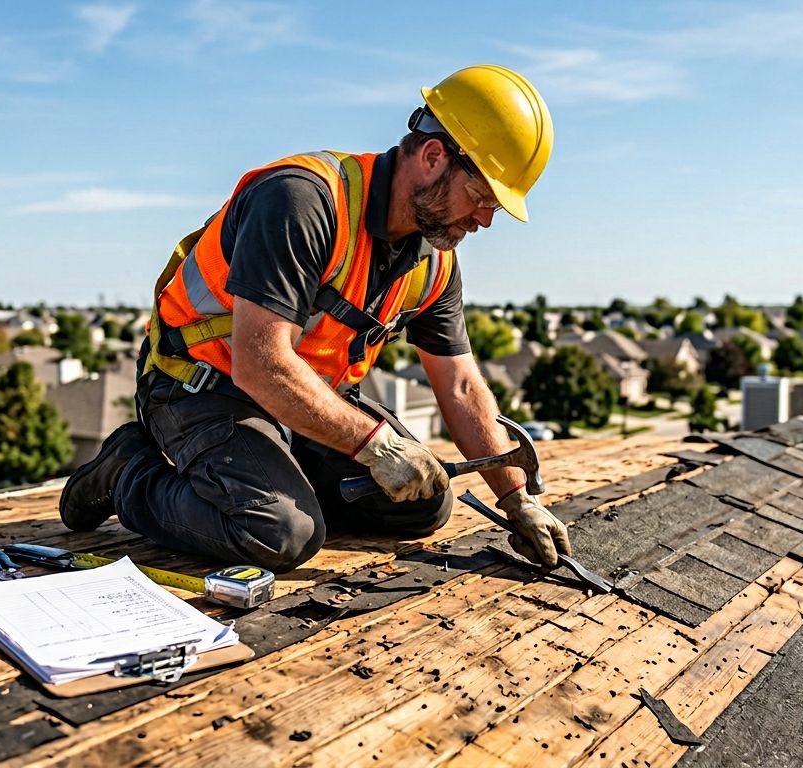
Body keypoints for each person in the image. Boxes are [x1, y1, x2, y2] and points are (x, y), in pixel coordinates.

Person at [59, 65, 571, 575]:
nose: (483, 220)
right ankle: (128, 471)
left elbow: (459, 386)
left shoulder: (434, 261)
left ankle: (268, 471)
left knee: (423, 503)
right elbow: (260, 363)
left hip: (303, 399)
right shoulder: (302, 200)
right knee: (279, 534)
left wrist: (516, 497)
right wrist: (373, 445)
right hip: (200, 385)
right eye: (481, 198)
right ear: (434, 156)